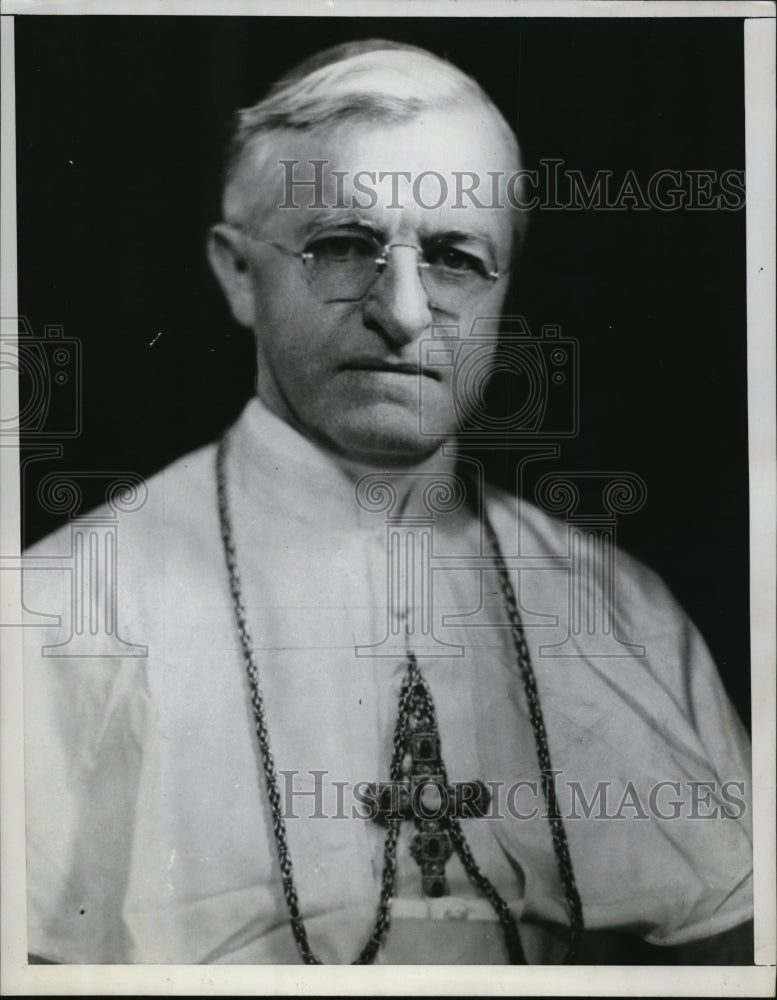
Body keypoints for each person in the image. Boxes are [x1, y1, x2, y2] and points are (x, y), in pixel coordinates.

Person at [22, 40, 753, 966]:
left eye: (453, 257)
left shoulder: (625, 611)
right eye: (342, 246)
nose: (404, 312)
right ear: (238, 274)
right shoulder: (53, 615)